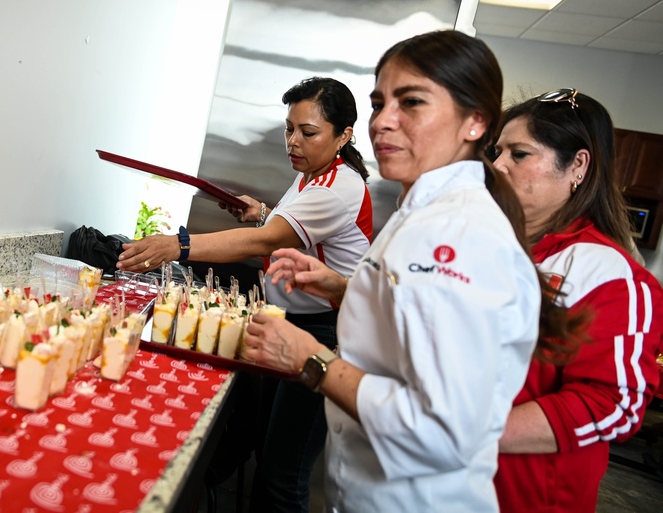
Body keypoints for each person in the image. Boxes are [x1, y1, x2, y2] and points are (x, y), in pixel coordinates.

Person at [243, 30, 584, 512]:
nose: (384, 121)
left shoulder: (457, 235)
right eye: (380, 103)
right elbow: (413, 324)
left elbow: (439, 429)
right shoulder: (422, 210)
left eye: (412, 103)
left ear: (475, 121)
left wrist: (312, 360)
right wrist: (343, 287)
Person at [118, 76, 373, 511]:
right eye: (288, 129)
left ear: (344, 135)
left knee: (282, 476)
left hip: (326, 332)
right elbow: (285, 228)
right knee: (265, 452)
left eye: (308, 132)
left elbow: (266, 242)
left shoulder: (337, 187)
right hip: (291, 322)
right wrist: (261, 213)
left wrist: (177, 245)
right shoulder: (314, 175)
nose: (293, 141)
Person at [490, 89, 663, 512]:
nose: (496, 165)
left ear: (578, 166)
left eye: (519, 153)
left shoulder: (605, 271)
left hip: (525, 497)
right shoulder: (490, 247)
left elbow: (614, 403)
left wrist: (469, 434)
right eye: (497, 151)